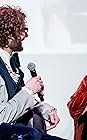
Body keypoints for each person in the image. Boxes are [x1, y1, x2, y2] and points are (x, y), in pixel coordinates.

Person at [0, 5, 65, 140]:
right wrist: (29, 90)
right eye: (21, 30)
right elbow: (2, 117)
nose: (25, 35)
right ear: (6, 33)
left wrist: (46, 110)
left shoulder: (13, 62)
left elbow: (21, 100)